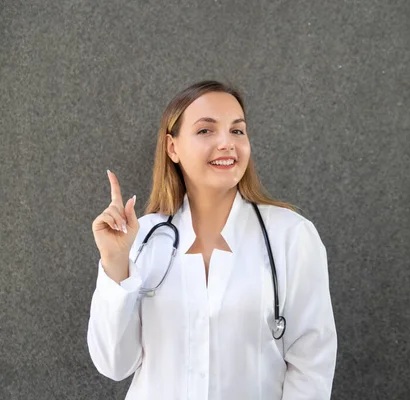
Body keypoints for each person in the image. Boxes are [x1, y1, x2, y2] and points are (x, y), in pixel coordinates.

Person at [87, 80, 337, 399]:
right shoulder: (140, 238)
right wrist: (115, 263)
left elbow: (311, 366)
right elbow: (114, 365)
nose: (226, 143)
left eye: (237, 131)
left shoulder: (291, 235)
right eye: (206, 130)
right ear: (172, 147)